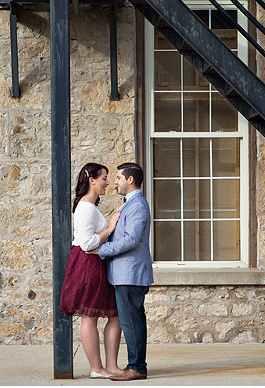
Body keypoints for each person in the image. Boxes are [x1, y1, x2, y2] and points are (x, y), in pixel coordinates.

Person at [60, 163, 124, 379]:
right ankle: (97, 368)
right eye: (104, 178)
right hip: (89, 264)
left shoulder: (88, 205)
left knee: (108, 315)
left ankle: (107, 366)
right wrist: (110, 229)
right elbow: (87, 243)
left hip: (93, 262)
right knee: (90, 316)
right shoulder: (86, 207)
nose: (107, 182)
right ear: (92, 180)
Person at [98, 162, 153, 382]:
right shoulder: (128, 204)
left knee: (132, 322)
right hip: (124, 274)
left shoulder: (137, 205)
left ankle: (137, 367)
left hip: (131, 274)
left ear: (130, 179)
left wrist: (101, 250)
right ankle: (136, 365)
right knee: (131, 321)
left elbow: (131, 239)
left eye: (119, 177)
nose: (115, 182)